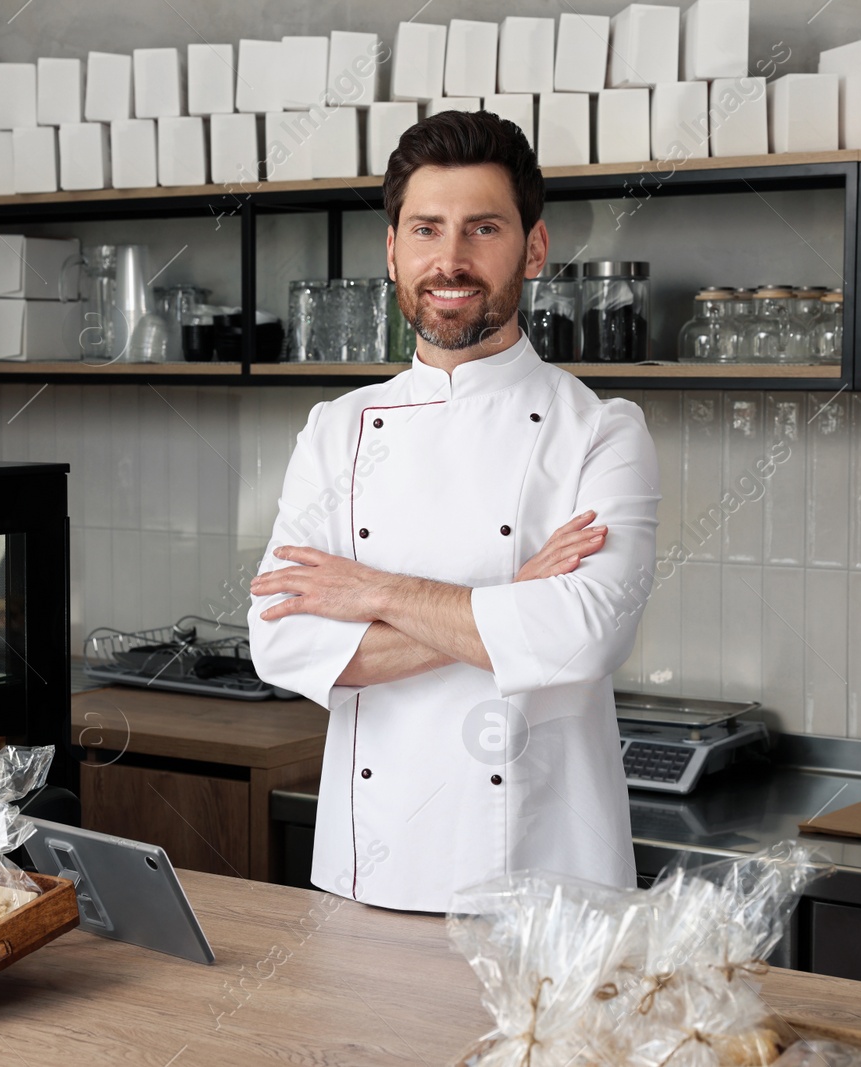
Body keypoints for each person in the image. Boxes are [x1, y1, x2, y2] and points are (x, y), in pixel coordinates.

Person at [247, 110, 661, 912]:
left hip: (548, 892)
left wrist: (372, 592)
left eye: (483, 229)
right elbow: (281, 638)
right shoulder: (337, 429)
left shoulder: (603, 431)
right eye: (427, 229)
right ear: (394, 249)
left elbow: (584, 634)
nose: (452, 259)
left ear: (533, 248)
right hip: (364, 881)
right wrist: (511, 603)